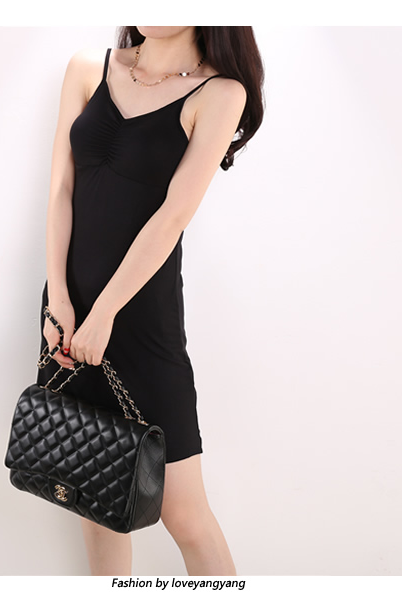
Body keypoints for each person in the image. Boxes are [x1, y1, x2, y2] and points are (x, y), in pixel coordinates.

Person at [37, 26, 264, 576]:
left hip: (140, 321)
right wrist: (58, 298)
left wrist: (105, 314)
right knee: (92, 496)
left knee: (184, 514)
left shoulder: (220, 94)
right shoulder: (88, 68)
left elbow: (172, 218)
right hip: (66, 313)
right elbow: (61, 188)